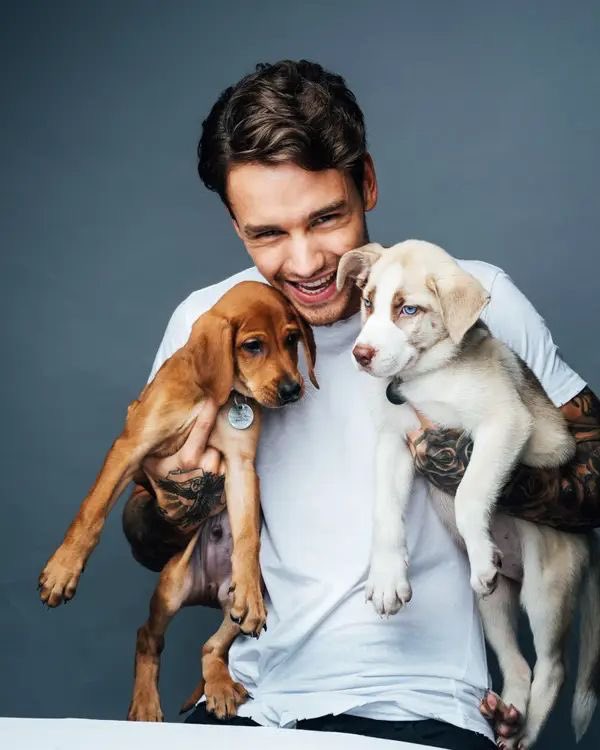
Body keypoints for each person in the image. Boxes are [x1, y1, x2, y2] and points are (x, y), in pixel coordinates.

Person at [132, 60, 600, 749]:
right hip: (257, 702)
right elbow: (145, 542)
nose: (305, 262)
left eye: (326, 218)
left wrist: (463, 466)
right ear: (235, 225)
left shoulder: (472, 300)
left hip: (424, 707)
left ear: (368, 183)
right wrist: (178, 496)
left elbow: (594, 479)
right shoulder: (210, 325)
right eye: (267, 234)